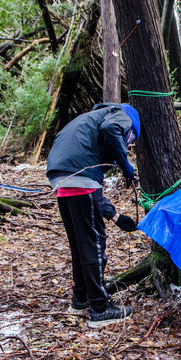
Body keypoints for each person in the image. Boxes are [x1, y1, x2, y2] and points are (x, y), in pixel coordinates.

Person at [46, 103, 141, 327]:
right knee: (94, 245)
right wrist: (125, 164)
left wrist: (116, 217)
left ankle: (80, 300)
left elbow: (92, 196)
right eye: (132, 138)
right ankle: (100, 308)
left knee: (81, 245)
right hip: (79, 176)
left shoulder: (90, 121)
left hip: (61, 177)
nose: (130, 142)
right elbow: (111, 129)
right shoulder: (121, 115)